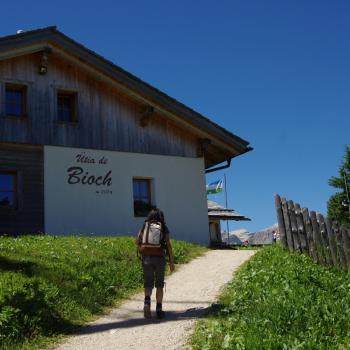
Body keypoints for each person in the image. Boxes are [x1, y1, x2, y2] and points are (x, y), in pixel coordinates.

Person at [136, 208, 175, 319]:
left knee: (148, 282)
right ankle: (159, 310)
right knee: (159, 284)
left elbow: (136, 240)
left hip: (146, 258)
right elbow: (168, 245)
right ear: (161, 217)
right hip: (160, 258)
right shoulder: (163, 226)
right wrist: (171, 262)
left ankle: (147, 302)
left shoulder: (145, 225)